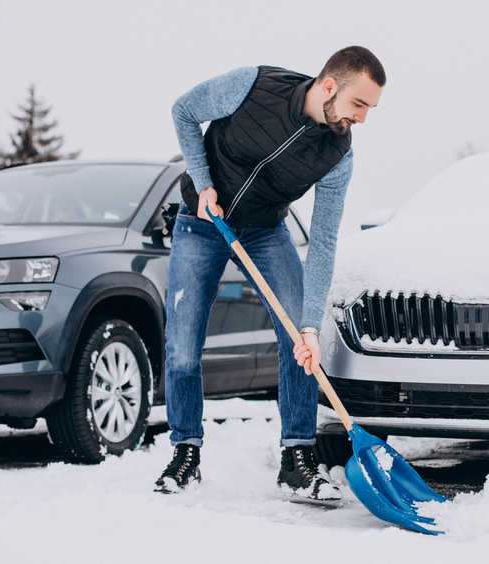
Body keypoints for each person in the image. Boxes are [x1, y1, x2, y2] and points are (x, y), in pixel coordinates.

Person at [154, 47, 385, 498]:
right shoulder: (254, 85)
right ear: (330, 86)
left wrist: (312, 325)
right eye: (360, 104)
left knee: (299, 341)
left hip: (264, 230)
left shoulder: (338, 154)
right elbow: (184, 111)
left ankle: (297, 458)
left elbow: (322, 243)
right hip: (201, 222)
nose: (362, 119)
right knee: (182, 347)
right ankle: (185, 453)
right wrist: (203, 183)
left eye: (371, 109)